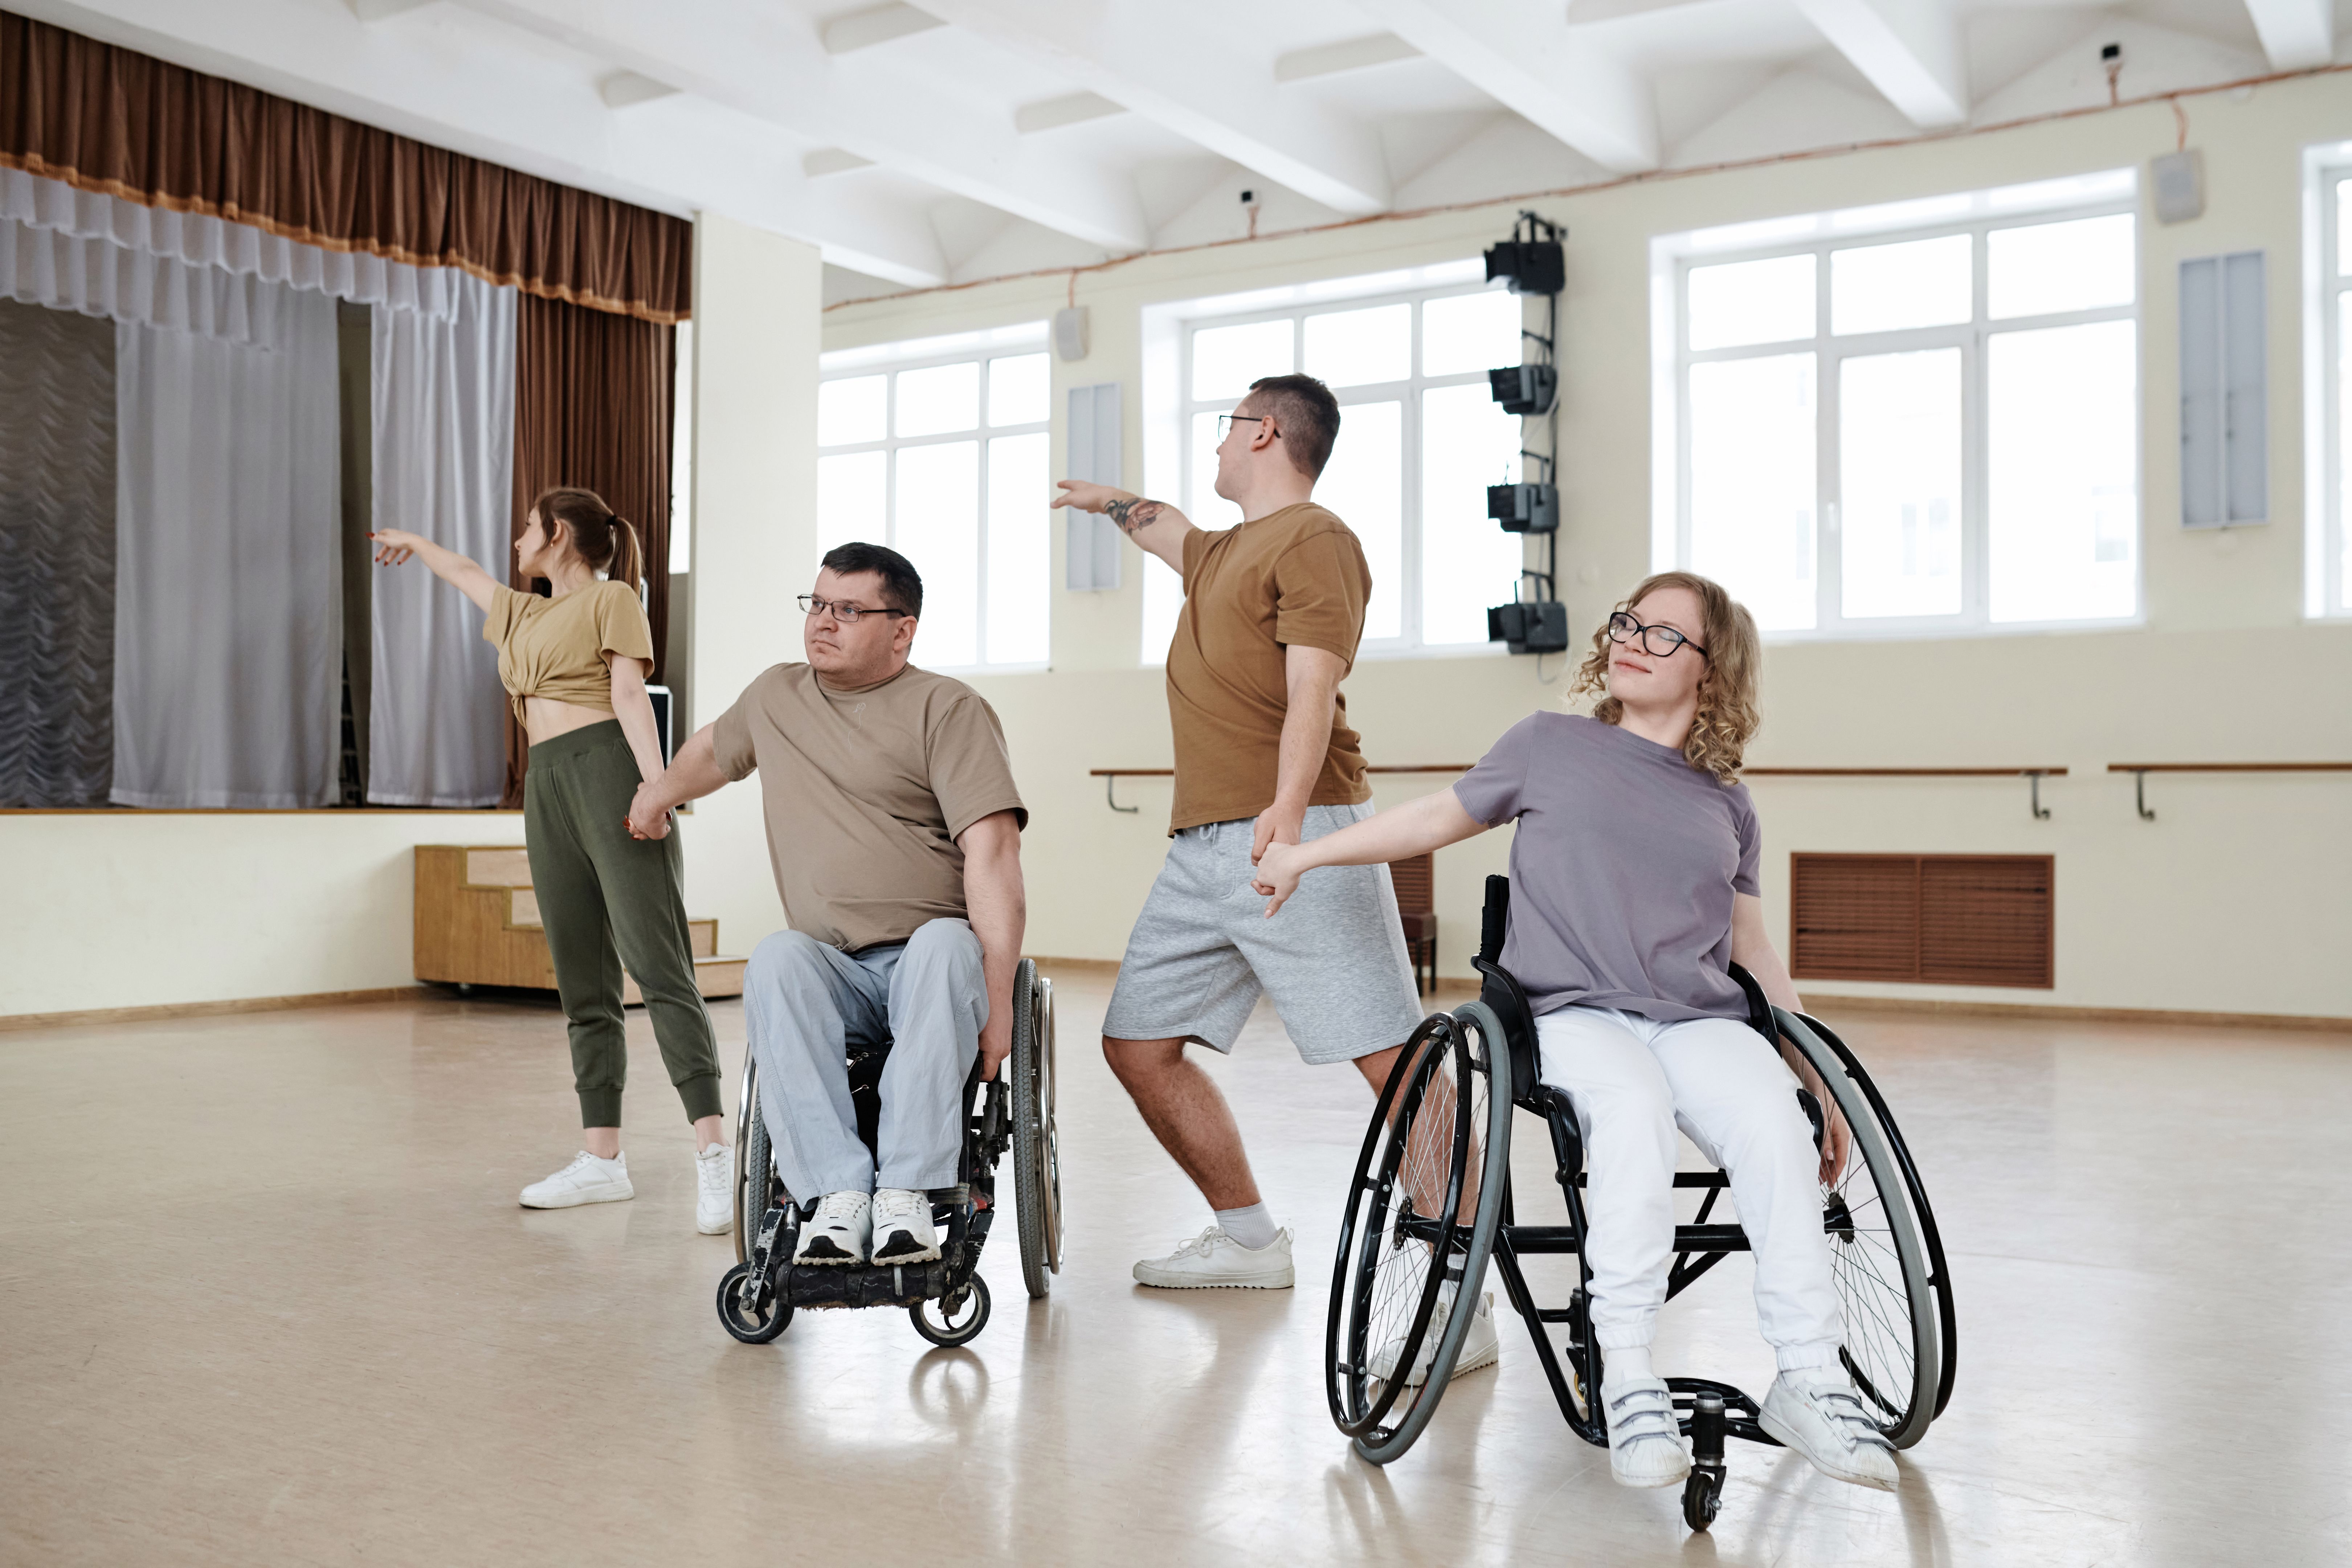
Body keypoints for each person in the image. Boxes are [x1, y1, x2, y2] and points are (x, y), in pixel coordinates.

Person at [1250, 570, 1899, 1493]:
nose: (1634, 638)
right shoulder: (1550, 746)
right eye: (1630, 622)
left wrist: (1815, 1073)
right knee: (1629, 1110)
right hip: (1567, 1010)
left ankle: (1810, 1376)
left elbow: (1751, 950)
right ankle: (1630, 1370)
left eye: (1666, 634)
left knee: (1773, 1117)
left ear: (1712, 674)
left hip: (1692, 1015)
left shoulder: (1728, 805)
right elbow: (1438, 817)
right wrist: (1306, 856)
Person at [1053, 373, 1496, 1368]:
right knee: (1136, 1043)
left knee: (1395, 1065)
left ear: (1263, 432)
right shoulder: (1221, 551)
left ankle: (1461, 1304)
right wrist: (1108, 502)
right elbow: (1164, 526)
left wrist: (1290, 827)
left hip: (1298, 833)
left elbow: (1313, 690)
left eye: (1226, 428)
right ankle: (1251, 1240)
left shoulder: (1316, 540)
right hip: (1201, 846)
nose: (1215, 447)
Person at [623, 543, 1026, 1268]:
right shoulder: (777, 696)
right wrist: (657, 795)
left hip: (926, 962)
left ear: (901, 630)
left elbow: (993, 856)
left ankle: (906, 1192)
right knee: (777, 955)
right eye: (817, 605)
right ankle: (837, 1196)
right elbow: (712, 750)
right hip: (833, 967)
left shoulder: (948, 709)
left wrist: (998, 1007)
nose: (824, 623)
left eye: (849, 610)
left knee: (940, 943)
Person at [371, 489, 732, 1233]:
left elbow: (631, 694)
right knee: (583, 979)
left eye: (528, 529)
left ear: (558, 535)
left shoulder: (613, 600)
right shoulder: (525, 614)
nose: (516, 542)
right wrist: (415, 539)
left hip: (609, 774)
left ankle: (716, 1156)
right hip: (547, 787)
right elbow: (466, 572)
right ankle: (602, 1161)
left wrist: (657, 791)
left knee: (661, 970)